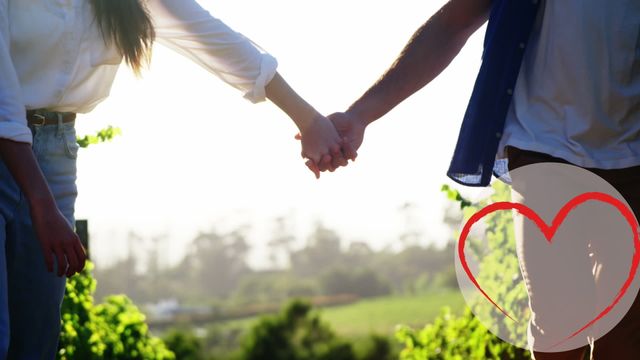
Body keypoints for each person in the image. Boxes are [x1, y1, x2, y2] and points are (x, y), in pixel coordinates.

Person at [0, 0, 351, 358]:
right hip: (7, 148)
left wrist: (307, 120)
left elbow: (209, 35)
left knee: (35, 342)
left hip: (56, 153)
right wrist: (41, 204)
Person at [320, 0, 640, 359]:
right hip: (541, 145)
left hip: (633, 153)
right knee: (561, 319)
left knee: (627, 329)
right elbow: (451, 24)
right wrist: (361, 114)